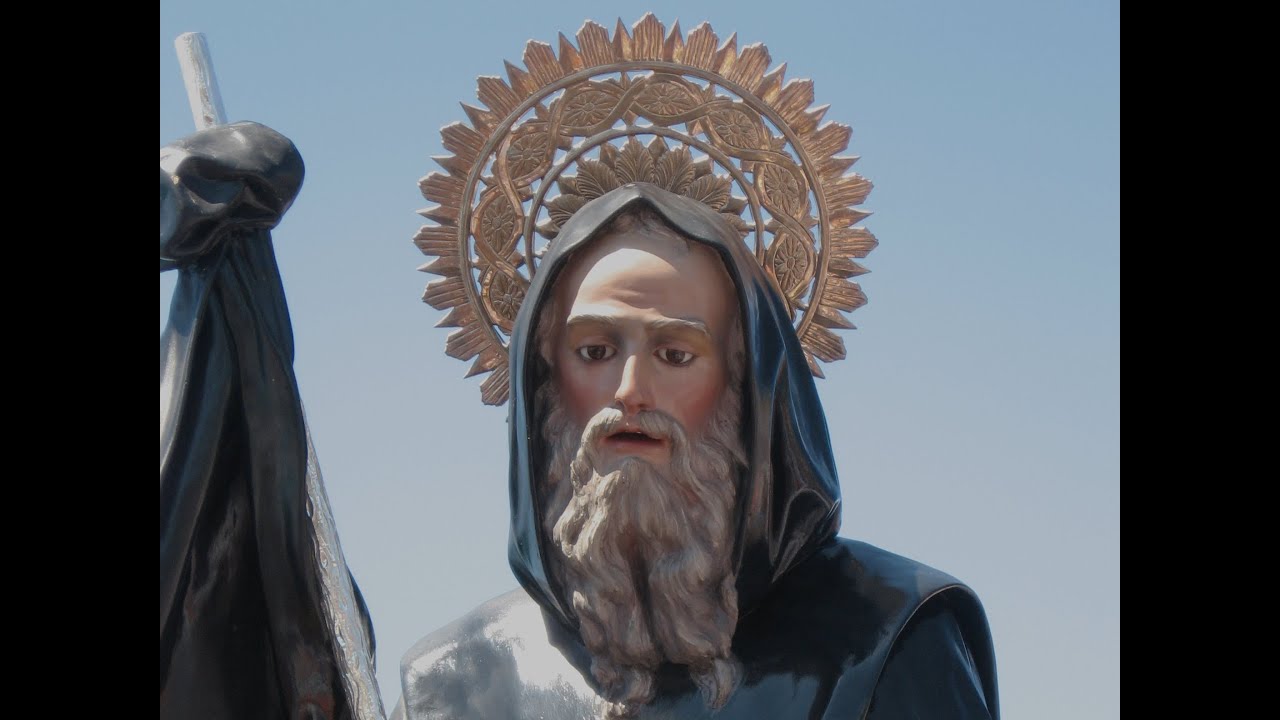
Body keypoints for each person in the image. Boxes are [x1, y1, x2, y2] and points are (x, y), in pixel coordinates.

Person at [394, 183, 999, 720]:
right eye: (596, 352)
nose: (630, 392)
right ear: (546, 382)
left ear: (743, 389)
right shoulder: (450, 685)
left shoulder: (882, 639)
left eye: (675, 354)